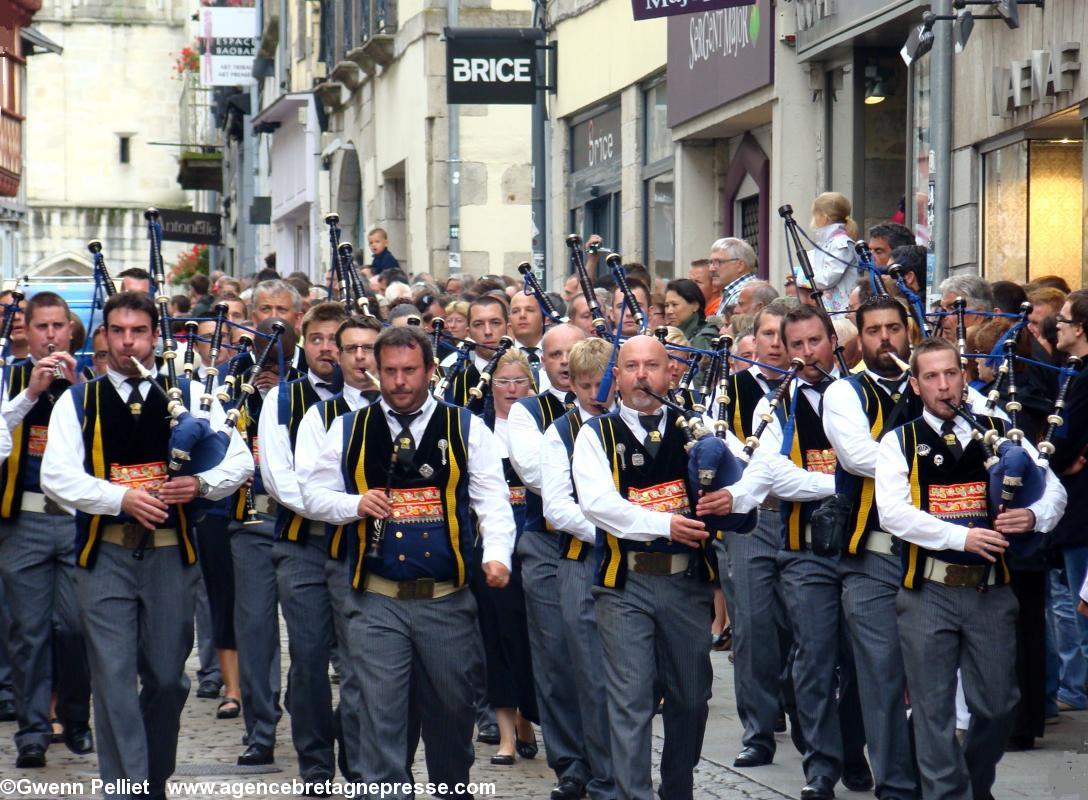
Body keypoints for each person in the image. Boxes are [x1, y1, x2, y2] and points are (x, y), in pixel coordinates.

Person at [40, 291, 252, 800]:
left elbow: (240, 459)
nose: (128, 340)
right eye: (118, 331)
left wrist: (200, 487)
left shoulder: (191, 391)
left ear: (156, 336)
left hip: (170, 556)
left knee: (165, 678)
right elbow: (56, 477)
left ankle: (151, 779)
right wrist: (120, 499)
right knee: (112, 680)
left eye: (138, 331)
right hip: (103, 555)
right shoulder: (78, 400)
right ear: (104, 336)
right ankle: (127, 789)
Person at [301, 325, 514, 799]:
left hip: (447, 599)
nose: (399, 382)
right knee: (380, 717)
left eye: (410, 371)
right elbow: (311, 493)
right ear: (376, 371)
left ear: (431, 371)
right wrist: (353, 505)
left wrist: (497, 556)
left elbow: (493, 500)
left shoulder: (464, 426)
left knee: (453, 715)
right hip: (376, 601)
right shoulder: (348, 427)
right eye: (390, 371)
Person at [572, 334, 762, 800]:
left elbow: (759, 470)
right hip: (625, 584)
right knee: (632, 698)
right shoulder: (595, 433)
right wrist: (666, 524)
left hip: (686, 585)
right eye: (631, 366)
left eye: (651, 366)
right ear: (616, 376)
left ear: (669, 373)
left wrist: (732, 496)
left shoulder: (695, 428)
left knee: (692, 698)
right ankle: (633, 792)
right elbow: (600, 506)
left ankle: (678, 786)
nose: (642, 375)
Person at [875, 337, 1066, 800]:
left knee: (999, 706)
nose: (944, 386)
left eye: (951, 374)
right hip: (926, 591)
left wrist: (1034, 517)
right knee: (933, 709)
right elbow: (893, 515)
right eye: (932, 377)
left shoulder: (998, 430)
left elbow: (1053, 491)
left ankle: (973, 784)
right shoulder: (899, 441)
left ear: (964, 377)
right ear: (917, 386)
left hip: (991, 592)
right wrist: (962, 537)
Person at [742, 305, 872, 800]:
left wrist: (822, 484)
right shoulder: (774, 403)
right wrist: (841, 482)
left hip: (861, 548)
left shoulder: (862, 394)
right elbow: (775, 474)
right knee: (813, 656)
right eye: (794, 345)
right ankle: (820, 765)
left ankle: (852, 747)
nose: (804, 354)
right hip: (802, 549)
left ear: (833, 343)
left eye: (813, 342)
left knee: (861, 658)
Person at [821, 297, 922, 800]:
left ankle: (938, 774)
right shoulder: (845, 392)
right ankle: (897, 787)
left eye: (894, 329)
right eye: (875, 330)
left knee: (932, 681)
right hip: (873, 555)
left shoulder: (938, 381)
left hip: (936, 557)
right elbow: (860, 457)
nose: (886, 338)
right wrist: (928, 443)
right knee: (881, 678)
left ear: (909, 333)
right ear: (860, 339)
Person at [257, 301, 350, 788]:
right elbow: (279, 478)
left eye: (336, 339)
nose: (327, 349)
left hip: (358, 546)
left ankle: (357, 755)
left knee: (358, 658)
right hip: (303, 544)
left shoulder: (366, 399)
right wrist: (333, 506)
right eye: (317, 339)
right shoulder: (283, 400)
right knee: (311, 655)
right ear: (304, 343)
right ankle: (315, 762)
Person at [0, 292, 91, 768]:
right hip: (26, 520)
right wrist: (31, 393)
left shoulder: (91, 381)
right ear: (27, 331)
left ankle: (76, 716)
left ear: (71, 331)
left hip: (77, 520)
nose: (52, 335)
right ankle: (32, 731)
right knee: (27, 631)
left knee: (76, 626)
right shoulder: (9, 379)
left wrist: (77, 393)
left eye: (59, 326)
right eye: (42, 327)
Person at [293, 314, 383, 780]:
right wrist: (358, 505)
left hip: (387, 559)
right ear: (340, 357)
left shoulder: (409, 411)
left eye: (370, 348)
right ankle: (325, 764)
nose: (362, 358)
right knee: (321, 663)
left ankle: (363, 764)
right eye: (352, 350)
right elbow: (311, 492)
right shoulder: (320, 415)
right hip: (334, 551)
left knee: (363, 670)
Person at [507, 323, 592, 800]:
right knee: (556, 656)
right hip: (547, 541)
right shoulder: (527, 411)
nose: (563, 361)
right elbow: (538, 476)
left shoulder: (609, 402)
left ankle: (607, 756)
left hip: (605, 543)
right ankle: (570, 763)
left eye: (571, 351)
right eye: (553, 354)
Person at [715, 301, 798, 768]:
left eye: (783, 336)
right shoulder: (731, 390)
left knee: (804, 622)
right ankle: (759, 730)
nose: (775, 343)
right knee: (752, 625)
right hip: (753, 518)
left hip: (805, 518)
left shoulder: (813, 390)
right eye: (767, 334)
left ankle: (797, 704)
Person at [541, 336, 617, 798]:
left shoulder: (627, 423)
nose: (595, 395)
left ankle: (621, 766)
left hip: (632, 560)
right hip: (582, 562)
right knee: (587, 675)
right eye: (585, 386)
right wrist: (615, 529)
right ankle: (599, 774)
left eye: (600, 384)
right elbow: (558, 508)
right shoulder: (561, 432)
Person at [226, 317, 299, 768]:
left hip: (298, 525)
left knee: (310, 637)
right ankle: (261, 729)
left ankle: (308, 713)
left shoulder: (306, 390)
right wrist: (251, 393)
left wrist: (282, 392)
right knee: (255, 631)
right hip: (249, 523)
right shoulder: (237, 378)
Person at [465, 350, 540, 766]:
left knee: (527, 637)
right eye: (503, 382)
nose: (512, 391)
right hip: (491, 544)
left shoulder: (540, 424)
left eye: (520, 382)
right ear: (490, 386)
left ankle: (529, 718)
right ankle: (507, 733)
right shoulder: (478, 428)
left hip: (532, 539)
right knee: (494, 637)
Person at [798, 192, 858, 313]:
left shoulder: (842, 244)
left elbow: (827, 279)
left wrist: (802, 276)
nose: (813, 220)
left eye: (815, 215)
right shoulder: (825, 244)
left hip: (842, 311)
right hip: (828, 309)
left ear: (824, 218)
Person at [509, 291, 548, 391]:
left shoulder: (556, 353)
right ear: (509, 319)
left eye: (529, 310)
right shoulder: (503, 357)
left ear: (544, 318)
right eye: (515, 311)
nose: (522, 315)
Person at [664, 278, 718, 351]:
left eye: (674, 304)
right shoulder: (664, 333)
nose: (669, 311)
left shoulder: (704, 338)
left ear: (695, 306)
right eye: (666, 306)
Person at [710, 237, 758, 312]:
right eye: (711, 263)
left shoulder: (744, 294)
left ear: (740, 265)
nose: (711, 269)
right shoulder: (730, 291)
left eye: (718, 262)